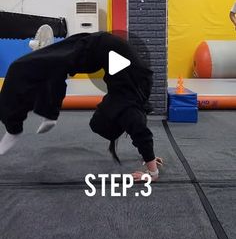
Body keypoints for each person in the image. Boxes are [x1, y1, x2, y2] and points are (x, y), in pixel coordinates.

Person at [0, 31, 163, 181]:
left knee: (54, 69)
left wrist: (148, 157)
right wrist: (152, 172)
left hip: (96, 46)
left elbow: (139, 126)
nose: (99, 109)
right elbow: (140, 130)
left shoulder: (130, 98)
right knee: (19, 68)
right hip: (94, 48)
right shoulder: (127, 106)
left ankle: (48, 110)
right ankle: (14, 128)